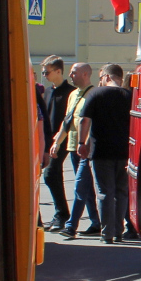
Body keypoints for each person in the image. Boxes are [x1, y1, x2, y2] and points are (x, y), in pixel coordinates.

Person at [78, 63, 134, 245]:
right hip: (125, 152)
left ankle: (107, 233)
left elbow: (84, 121)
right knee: (121, 192)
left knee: (104, 193)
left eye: (101, 77)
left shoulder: (95, 94)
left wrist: (81, 143)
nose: (99, 81)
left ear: (108, 77)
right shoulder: (129, 96)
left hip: (101, 151)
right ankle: (119, 230)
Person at [51, 62, 100, 239]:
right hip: (73, 147)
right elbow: (68, 120)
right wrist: (58, 141)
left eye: (74, 73)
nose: (70, 76)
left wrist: (85, 143)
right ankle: (96, 222)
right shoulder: (73, 94)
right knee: (85, 187)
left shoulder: (93, 94)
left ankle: (72, 225)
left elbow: (90, 122)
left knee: (81, 186)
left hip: (85, 148)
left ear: (86, 74)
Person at [35, 55, 75, 231]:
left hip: (62, 140)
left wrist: (59, 140)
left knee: (50, 174)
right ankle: (62, 214)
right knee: (54, 174)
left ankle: (62, 214)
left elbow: (68, 120)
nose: (44, 75)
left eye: (47, 72)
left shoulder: (69, 92)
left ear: (58, 71)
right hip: (49, 138)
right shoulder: (48, 91)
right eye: (43, 72)